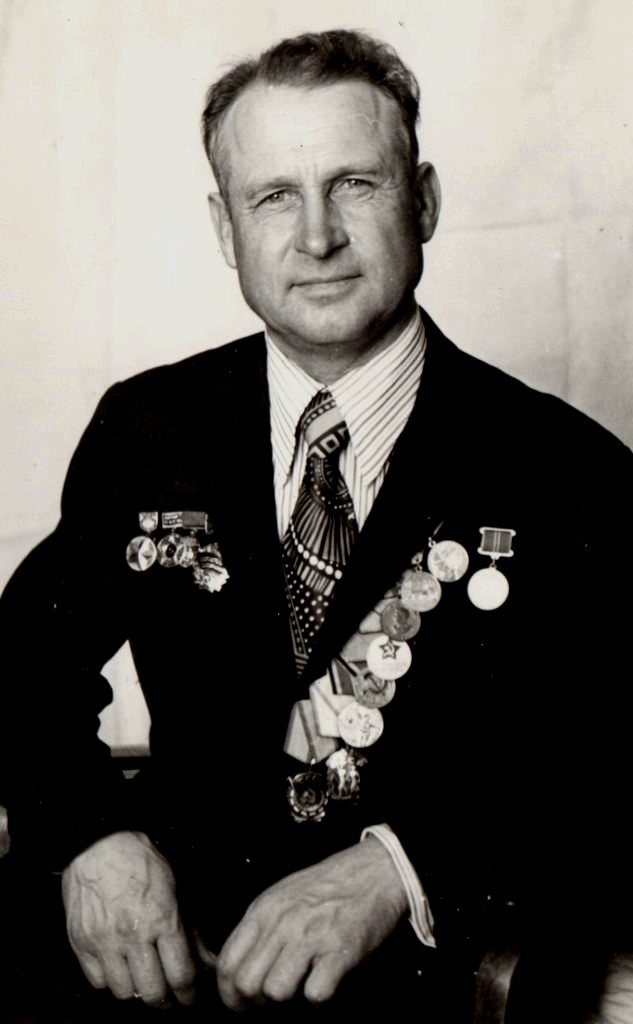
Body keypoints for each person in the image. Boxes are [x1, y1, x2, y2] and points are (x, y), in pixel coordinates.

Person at [1, 28, 633, 1024]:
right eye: (273, 197)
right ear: (226, 230)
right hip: (166, 968)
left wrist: (402, 868)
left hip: (423, 985)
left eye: (354, 185)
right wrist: (89, 836)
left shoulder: (566, 468)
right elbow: (18, 666)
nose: (317, 236)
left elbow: (622, 757)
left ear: (423, 202)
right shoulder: (148, 430)